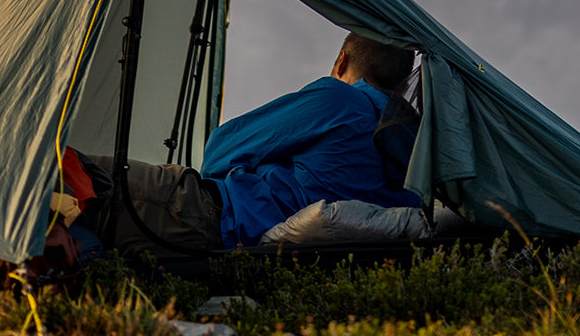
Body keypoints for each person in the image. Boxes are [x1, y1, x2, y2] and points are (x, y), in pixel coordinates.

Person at [87, 32, 421, 259]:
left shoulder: (341, 98)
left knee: (57, 169)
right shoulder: (419, 157)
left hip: (203, 213)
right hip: (229, 245)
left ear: (341, 61)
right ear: (404, 84)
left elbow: (221, 147)